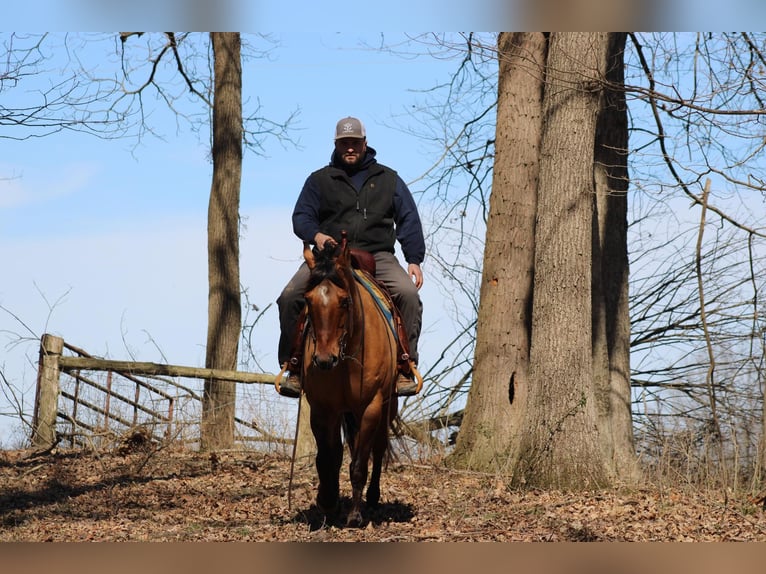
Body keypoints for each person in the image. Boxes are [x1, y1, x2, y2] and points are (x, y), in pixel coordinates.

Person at [276, 116, 425, 398]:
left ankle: (405, 366)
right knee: (290, 296)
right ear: (336, 144)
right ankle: (293, 366)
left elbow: (409, 220)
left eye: (354, 143)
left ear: (365, 143)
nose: (350, 148)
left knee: (408, 295)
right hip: (328, 259)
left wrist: (414, 259)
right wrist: (317, 236)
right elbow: (301, 217)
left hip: (377, 255)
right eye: (344, 143)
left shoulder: (388, 179)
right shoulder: (319, 180)